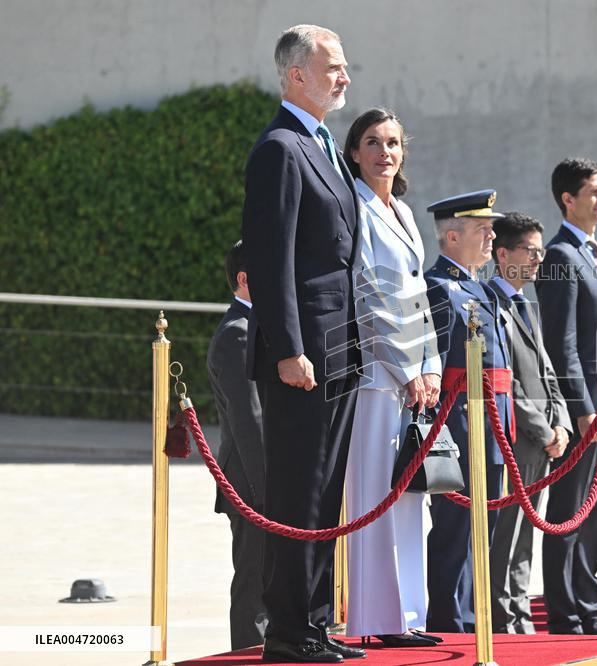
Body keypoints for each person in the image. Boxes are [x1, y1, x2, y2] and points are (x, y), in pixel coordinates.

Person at [241, 24, 365, 663]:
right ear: (296, 75)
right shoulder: (281, 149)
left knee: (325, 491)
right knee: (298, 490)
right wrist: (289, 348)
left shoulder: (324, 145)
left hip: (340, 346)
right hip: (304, 354)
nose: (345, 77)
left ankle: (315, 623)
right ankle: (288, 632)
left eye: (345, 67)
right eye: (333, 68)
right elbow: (271, 256)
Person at [341, 108, 442, 647]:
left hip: (414, 378)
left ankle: (406, 615)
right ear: (354, 151)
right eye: (373, 142)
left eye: (395, 142)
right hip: (377, 377)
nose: (386, 152)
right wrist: (406, 370)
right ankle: (375, 619)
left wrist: (428, 368)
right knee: (375, 497)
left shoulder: (401, 209)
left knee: (409, 496)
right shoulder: (353, 206)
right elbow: (371, 296)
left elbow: (418, 297)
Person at [536, 158, 597, 636]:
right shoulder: (560, 256)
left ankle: (589, 607)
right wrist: (583, 409)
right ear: (568, 199)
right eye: (594, 191)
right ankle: (566, 610)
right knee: (570, 512)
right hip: (586, 410)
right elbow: (563, 341)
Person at [423, 189, 512, 633]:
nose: (492, 236)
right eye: (482, 229)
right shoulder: (438, 288)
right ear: (452, 236)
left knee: (486, 531)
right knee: (454, 532)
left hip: (493, 425)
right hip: (459, 425)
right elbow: (434, 365)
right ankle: (449, 620)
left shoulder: (481, 288)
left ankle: (476, 617)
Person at [487, 212, 571, 635]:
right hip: (516, 437)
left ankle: (519, 614)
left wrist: (563, 425)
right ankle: (503, 618)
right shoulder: (490, 302)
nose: (539, 259)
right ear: (502, 254)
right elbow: (507, 384)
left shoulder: (526, 303)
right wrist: (543, 430)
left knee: (526, 535)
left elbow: (547, 371)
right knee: (508, 532)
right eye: (530, 250)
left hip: (543, 437)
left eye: (541, 251)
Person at [206, 240, 268, 649]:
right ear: (244, 280)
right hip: (252, 481)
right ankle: (247, 652)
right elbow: (251, 422)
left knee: (269, 578)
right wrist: (269, 492)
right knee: (254, 582)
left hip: (261, 478)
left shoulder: (258, 327)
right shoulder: (237, 334)